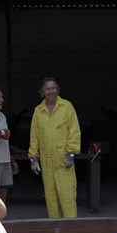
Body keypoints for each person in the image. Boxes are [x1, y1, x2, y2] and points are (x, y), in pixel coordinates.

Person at [28, 77, 81, 218]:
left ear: (57, 90)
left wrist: (71, 152)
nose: (51, 91)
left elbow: (74, 131)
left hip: (63, 159)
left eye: (53, 88)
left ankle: (70, 230)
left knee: (67, 196)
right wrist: (33, 157)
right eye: (48, 89)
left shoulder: (67, 107)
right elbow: (34, 135)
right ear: (43, 92)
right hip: (46, 161)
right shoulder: (38, 111)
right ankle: (55, 232)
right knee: (51, 198)